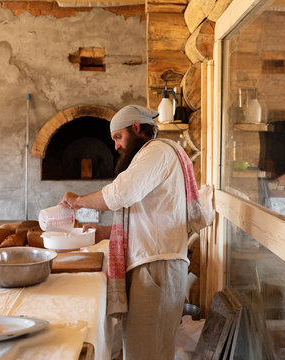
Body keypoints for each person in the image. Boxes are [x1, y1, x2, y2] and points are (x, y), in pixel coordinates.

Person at [59, 104, 194, 360]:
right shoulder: (149, 157)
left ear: (136, 128)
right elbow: (149, 219)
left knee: (147, 352)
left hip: (157, 268)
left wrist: (78, 201)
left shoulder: (156, 151)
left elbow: (121, 193)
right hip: (153, 264)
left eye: (118, 137)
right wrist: (105, 232)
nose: (116, 146)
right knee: (140, 347)